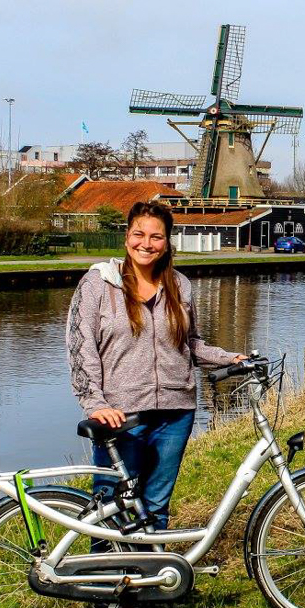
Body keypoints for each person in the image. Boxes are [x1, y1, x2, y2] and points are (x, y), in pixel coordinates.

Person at [66, 201, 244, 530]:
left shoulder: (180, 285)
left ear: (167, 243)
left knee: (156, 506)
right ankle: (106, 578)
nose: (146, 244)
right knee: (112, 507)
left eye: (156, 237)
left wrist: (228, 357)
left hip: (176, 413)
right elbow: (80, 348)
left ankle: (147, 578)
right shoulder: (97, 285)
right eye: (139, 234)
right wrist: (94, 403)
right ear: (126, 237)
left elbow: (190, 343)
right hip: (123, 415)